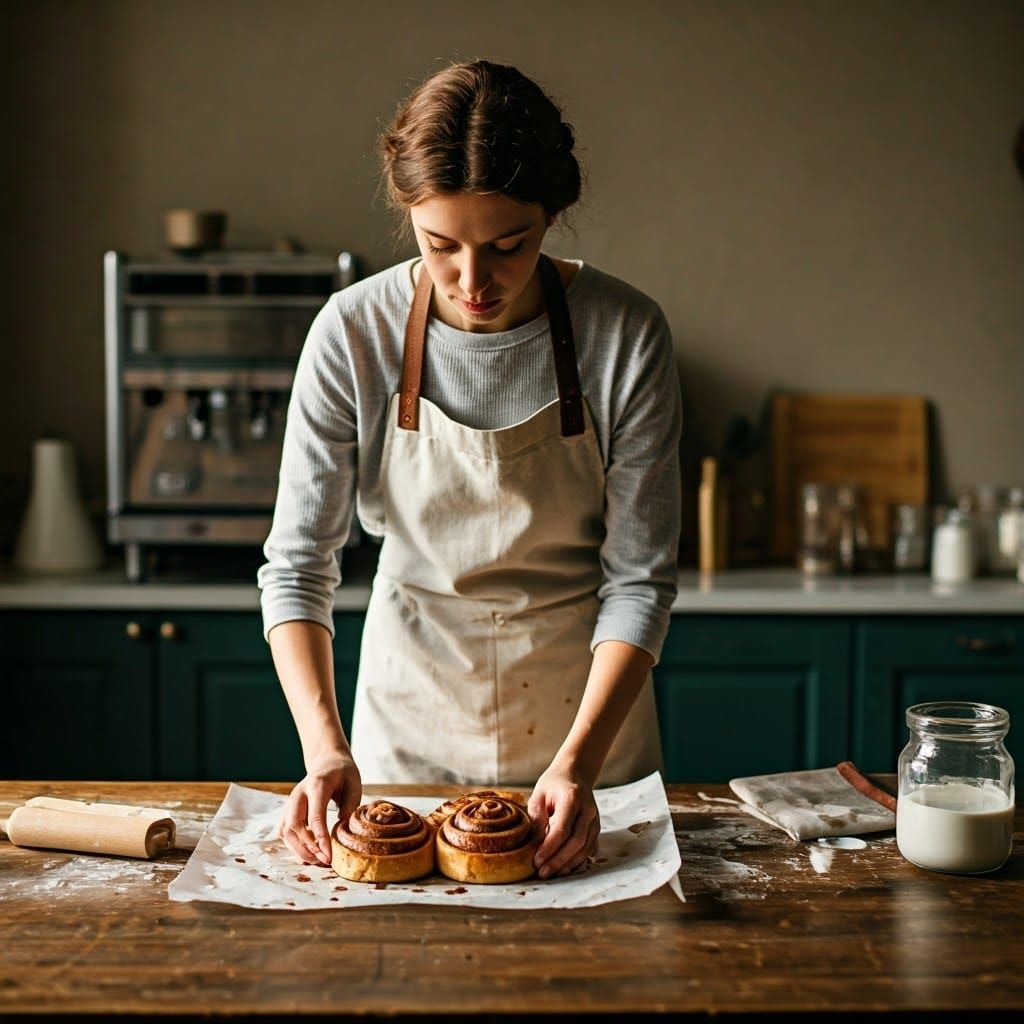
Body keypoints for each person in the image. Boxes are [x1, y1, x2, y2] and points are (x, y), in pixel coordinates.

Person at [257, 59, 682, 881]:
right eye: (439, 245)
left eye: (507, 245)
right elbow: (299, 567)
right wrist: (322, 748)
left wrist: (578, 766)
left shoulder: (626, 335)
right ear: (408, 216)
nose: (472, 281)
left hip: (583, 732)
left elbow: (639, 580)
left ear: (551, 215)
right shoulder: (353, 333)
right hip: (406, 724)